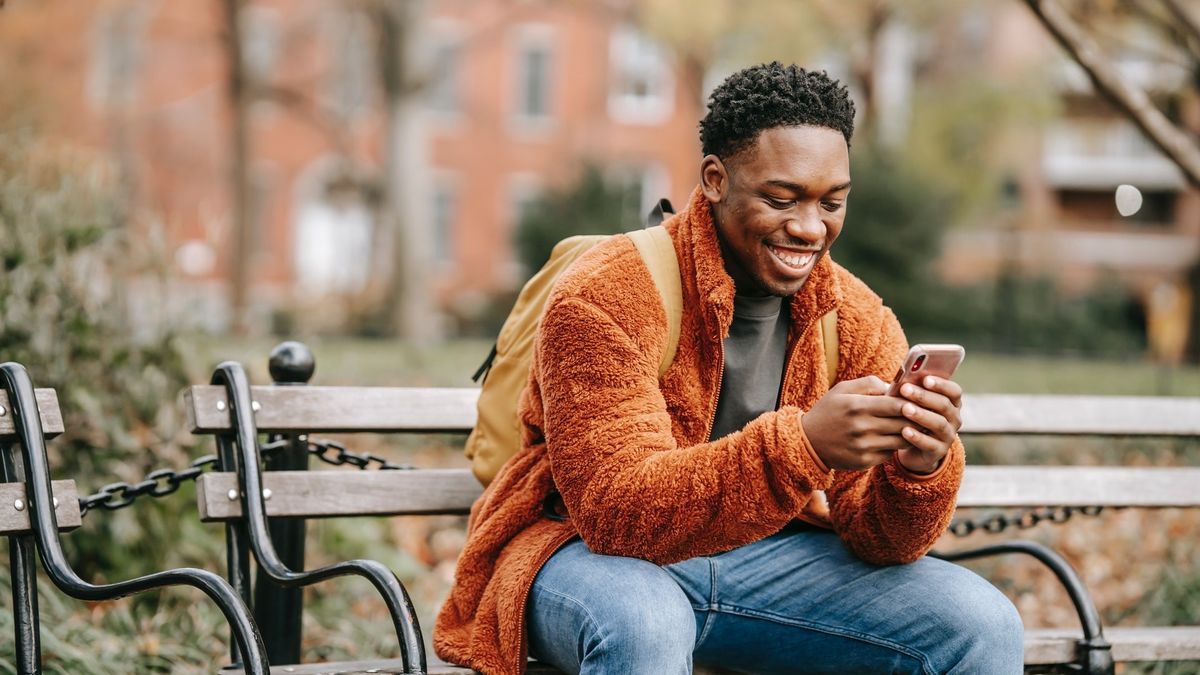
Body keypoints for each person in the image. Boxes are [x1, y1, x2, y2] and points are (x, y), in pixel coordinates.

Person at [435, 62, 1024, 675]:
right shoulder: (607, 290)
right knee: (646, 621)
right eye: (781, 198)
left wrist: (917, 466)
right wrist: (802, 444)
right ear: (715, 180)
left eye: (832, 202)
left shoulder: (855, 317)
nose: (809, 227)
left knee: (979, 624)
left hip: (765, 567)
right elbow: (615, 514)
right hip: (581, 557)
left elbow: (882, 540)